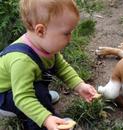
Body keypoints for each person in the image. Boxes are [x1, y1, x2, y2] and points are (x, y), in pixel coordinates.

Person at [0, 0, 98, 130]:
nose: (71, 38)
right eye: (66, 33)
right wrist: (46, 118)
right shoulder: (21, 61)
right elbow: (22, 98)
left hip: (19, 87)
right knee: (36, 93)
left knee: (38, 91)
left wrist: (79, 85)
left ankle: (41, 99)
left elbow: (62, 67)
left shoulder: (45, 46)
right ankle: (40, 122)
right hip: (7, 97)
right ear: (40, 31)